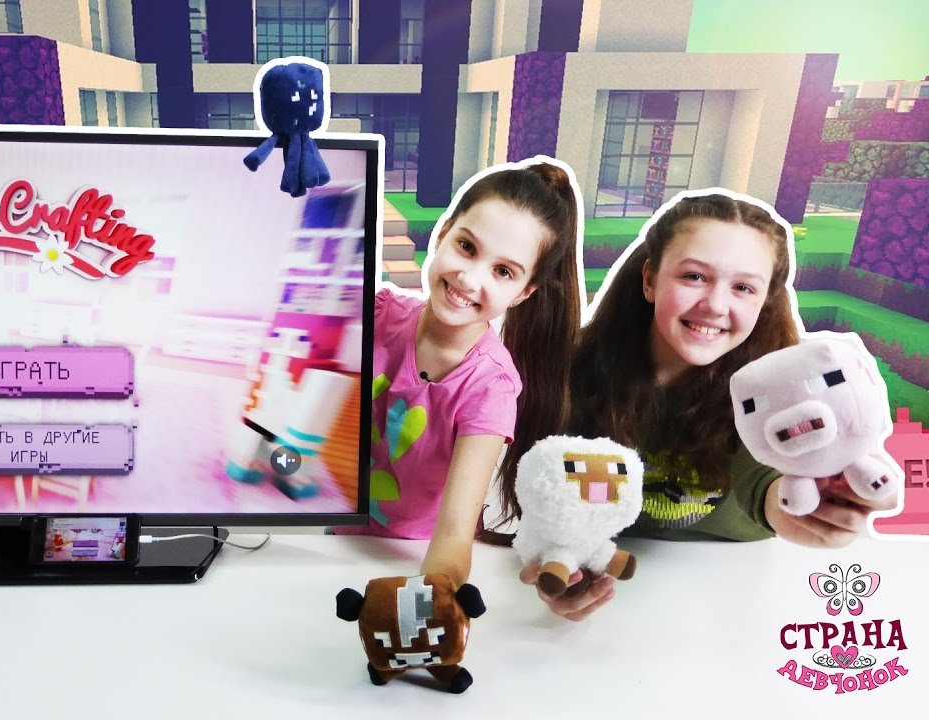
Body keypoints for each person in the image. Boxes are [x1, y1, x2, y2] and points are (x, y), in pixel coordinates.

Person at [526, 190, 897, 621]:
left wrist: (815, 507)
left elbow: (767, 482)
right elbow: (547, 493)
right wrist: (556, 566)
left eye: (743, 288)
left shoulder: (785, 390)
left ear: (765, 301)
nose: (716, 306)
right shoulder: (571, 371)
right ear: (650, 280)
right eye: (694, 277)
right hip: (612, 594)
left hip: (734, 599)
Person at [339, 159, 583, 588]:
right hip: (325, 531)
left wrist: (427, 598)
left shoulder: (490, 388)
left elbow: (453, 535)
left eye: (503, 271)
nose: (469, 279)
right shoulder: (377, 314)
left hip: (408, 554)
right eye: (467, 247)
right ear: (443, 233)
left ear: (523, 292)